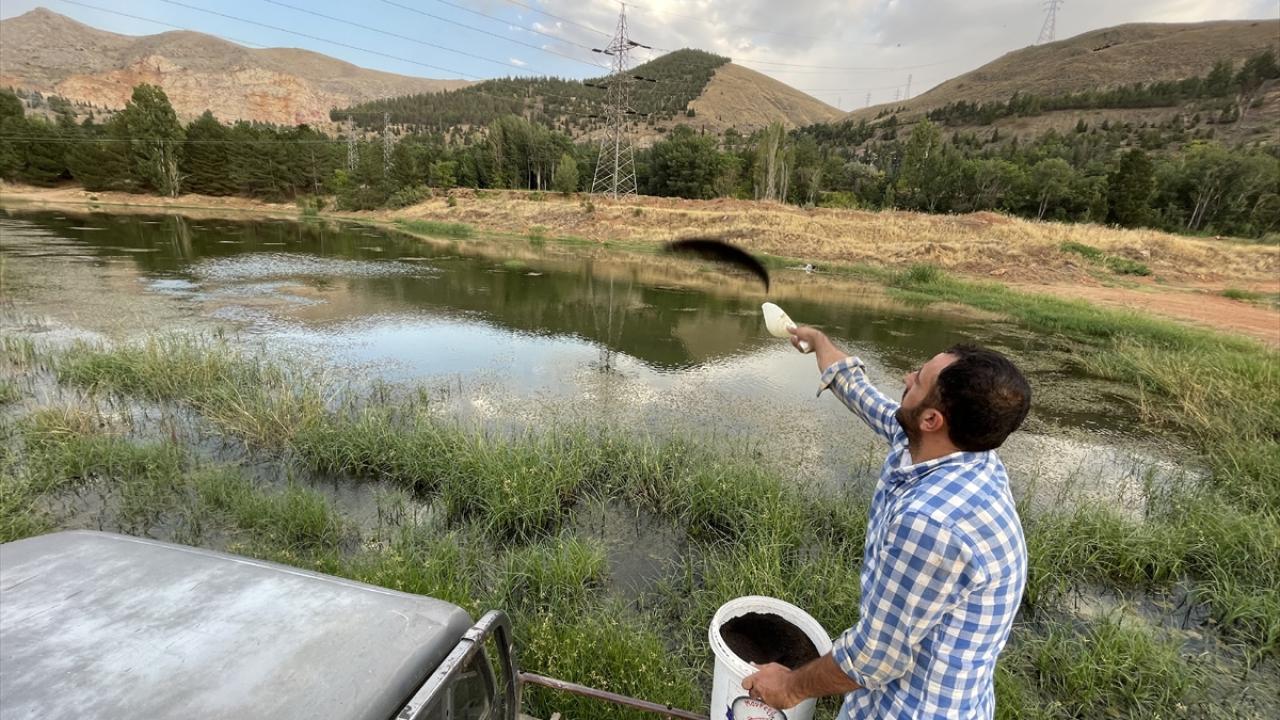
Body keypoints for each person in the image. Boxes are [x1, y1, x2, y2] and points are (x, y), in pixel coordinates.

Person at [743, 326, 1031, 720]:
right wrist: (822, 345)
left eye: (917, 382)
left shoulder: (931, 523)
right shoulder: (962, 449)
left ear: (931, 419)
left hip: (913, 710)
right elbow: (866, 398)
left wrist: (788, 687)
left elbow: (875, 657)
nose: (905, 378)